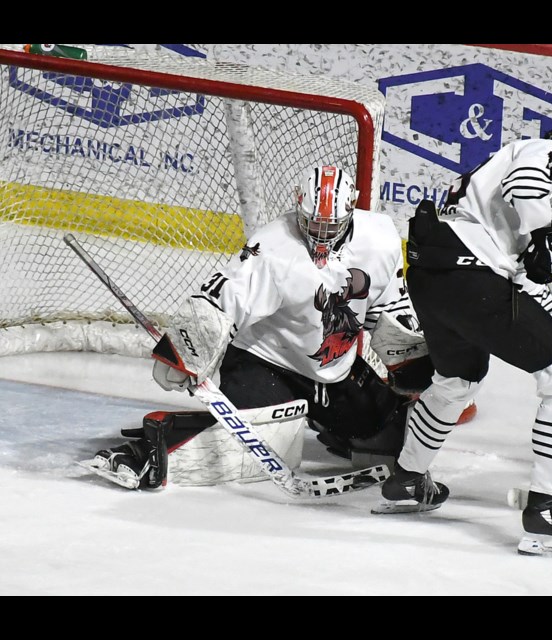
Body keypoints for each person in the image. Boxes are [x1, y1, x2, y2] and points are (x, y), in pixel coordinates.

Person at [87, 164, 473, 490]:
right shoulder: (272, 248)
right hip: (266, 362)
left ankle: (338, 426)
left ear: (353, 211)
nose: (320, 235)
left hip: (333, 370)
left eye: (331, 226)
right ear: (297, 207)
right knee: (252, 445)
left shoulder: (381, 237)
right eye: (312, 224)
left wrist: (410, 365)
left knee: (392, 440)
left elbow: (387, 302)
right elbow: (224, 296)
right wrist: (184, 353)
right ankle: (148, 451)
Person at [371, 125, 552, 558]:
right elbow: (530, 181)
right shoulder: (543, 152)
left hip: (436, 279)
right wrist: (542, 233)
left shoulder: (491, 205)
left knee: (458, 379)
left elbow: (529, 290)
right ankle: (546, 514)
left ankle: (407, 479)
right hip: (471, 279)